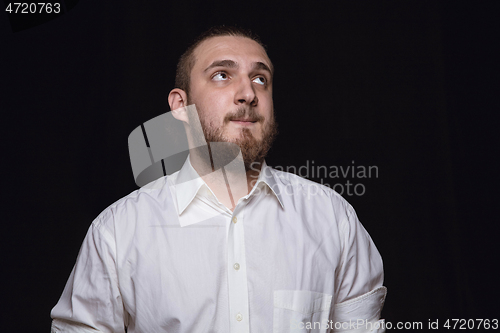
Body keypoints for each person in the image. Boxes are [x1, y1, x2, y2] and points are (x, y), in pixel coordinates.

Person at [51, 26, 387, 333]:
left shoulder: (333, 219)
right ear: (181, 107)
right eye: (222, 75)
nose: (247, 94)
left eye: (260, 79)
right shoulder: (118, 232)